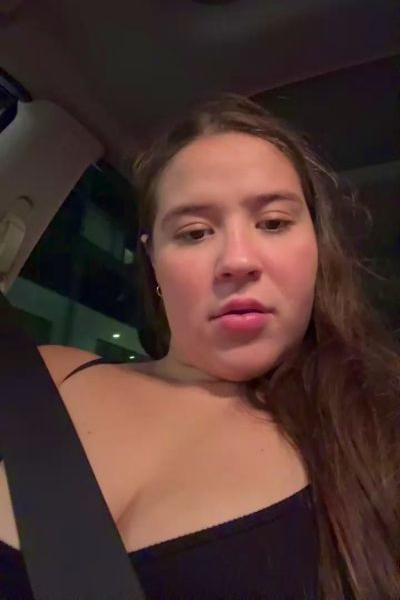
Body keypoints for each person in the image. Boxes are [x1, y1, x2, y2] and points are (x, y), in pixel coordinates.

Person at [0, 94, 399, 599]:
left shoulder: (380, 429)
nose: (237, 260)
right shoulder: (40, 378)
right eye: (194, 233)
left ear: (317, 247)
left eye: (273, 223)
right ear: (153, 261)